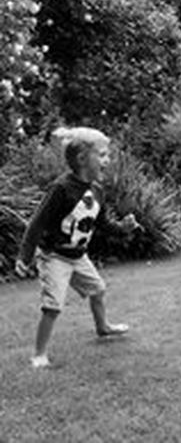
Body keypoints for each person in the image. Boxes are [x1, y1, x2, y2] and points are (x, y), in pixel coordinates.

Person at [14, 127, 141, 369]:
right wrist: (25, 255)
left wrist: (123, 227)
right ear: (83, 159)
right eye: (102, 155)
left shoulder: (98, 191)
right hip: (54, 257)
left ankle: (103, 328)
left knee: (98, 290)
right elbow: (37, 223)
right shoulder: (61, 188)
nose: (108, 160)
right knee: (53, 305)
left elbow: (102, 224)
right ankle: (39, 354)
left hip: (78, 256)